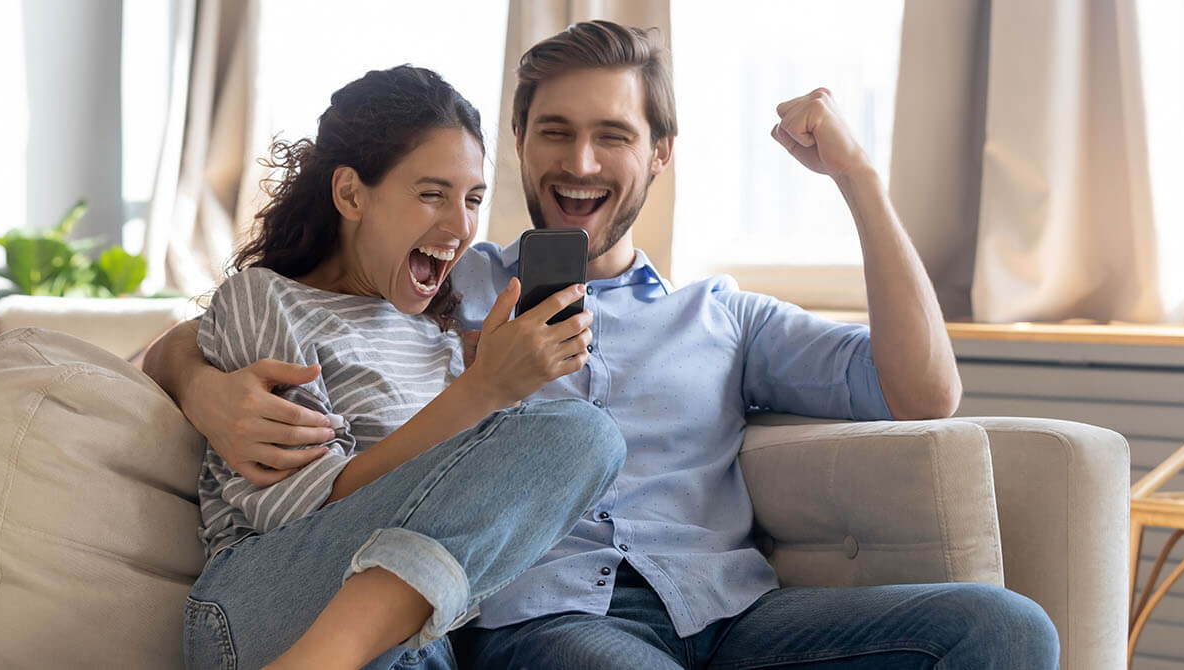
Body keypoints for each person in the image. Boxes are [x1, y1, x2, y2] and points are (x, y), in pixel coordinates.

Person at [146, 21, 1059, 669]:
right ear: (518, 144)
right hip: (547, 626)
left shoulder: (724, 318)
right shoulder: (452, 286)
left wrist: (858, 179)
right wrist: (197, 380)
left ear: (659, 153)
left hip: (731, 614)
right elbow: (273, 312)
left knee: (1008, 631)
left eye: (611, 136)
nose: (580, 163)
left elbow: (925, 394)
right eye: (555, 133)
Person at [177, 65, 628, 670]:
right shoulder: (265, 300)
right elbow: (299, 508)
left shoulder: (439, 340)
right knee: (585, 431)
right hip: (260, 609)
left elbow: (462, 522)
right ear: (351, 194)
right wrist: (481, 392)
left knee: (583, 439)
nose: (460, 226)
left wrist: (492, 393)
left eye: (472, 199)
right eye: (431, 193)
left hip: (413, 644)